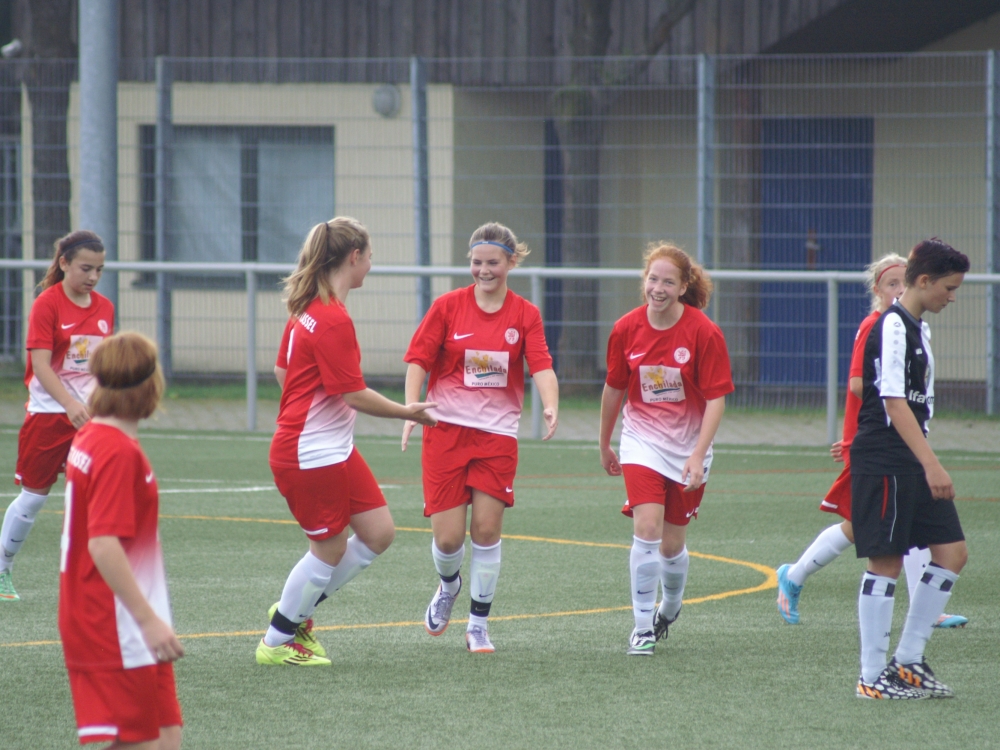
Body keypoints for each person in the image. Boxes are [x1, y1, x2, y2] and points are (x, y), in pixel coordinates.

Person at [258, 217, 437, 666]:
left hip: (329, 447)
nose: (371, 265)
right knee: (330, 549)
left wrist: (313, 411)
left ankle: (294, 611)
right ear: (353, 257)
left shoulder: (308, 307)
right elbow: (353, 394)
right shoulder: (331, 317)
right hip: (309, 453)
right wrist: (408, 412)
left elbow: (283, 372)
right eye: (370, 257)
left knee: (378, 533)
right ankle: (277, 642)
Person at [775, 254, 968, 629]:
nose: (899, 289)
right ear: (877, 289)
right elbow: (860, 384)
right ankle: (795, 574)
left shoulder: (912, 326)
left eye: (902, 282)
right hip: (877, 445)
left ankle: (923, 608)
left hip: (897, 444)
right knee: (868, 528)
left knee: (892, 524)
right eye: (891, 283)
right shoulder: (877, 325)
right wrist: (855, 434)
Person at [402, 221, 558, 653]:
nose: (484, 270)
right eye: (476, 262)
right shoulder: (447, 307)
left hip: (496, 436)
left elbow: (542, 365)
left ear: (511, 262)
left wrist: (550, 403)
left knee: (486, 531)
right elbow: (418, 359)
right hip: (445, 432)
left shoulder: (525, 314)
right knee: (448, 539)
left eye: (492, 262)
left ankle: (478, 625)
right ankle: (448, 585)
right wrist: (411, 406)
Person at [599, 243, 733, 656]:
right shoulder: (625, 328)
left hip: (688, 447)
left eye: (668, 282)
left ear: (683, 287)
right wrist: (604, 442)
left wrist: (697, 454)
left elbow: (716, 399)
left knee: (672, 546)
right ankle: (642, 627)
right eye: (652, 279)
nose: (658, 288)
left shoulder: (704, 332)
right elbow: (614, 388)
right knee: (647, 529)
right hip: (641, 440)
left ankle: (670, 605)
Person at [851, 239, 970, 699]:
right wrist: (932, 464)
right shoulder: (894, 324)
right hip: (886, 456)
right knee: (886, 560)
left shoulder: (918, 327)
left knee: (952, 552)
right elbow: (893, 401)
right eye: (949, 287)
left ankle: (907, 662)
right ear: (923, 281)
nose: (952, 297)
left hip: (910, 455)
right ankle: (870, 678)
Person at [60, 331, 184, 748]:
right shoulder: (116, 451)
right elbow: (103, 543)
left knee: (165, 737)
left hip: (126, 619)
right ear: (150, 386)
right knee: (143, 741)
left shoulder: (93, 436)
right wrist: (148, 620)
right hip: (115, 623)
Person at [1, 230, 114, 602]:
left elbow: (99, 365)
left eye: (99, 269)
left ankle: (89, 578)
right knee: (33, 498)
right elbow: (41, 366)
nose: (93, 277)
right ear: (64, 263)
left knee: (94, 497)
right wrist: (69, 404)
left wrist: (102, 403)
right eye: (86, 268)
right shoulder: (47, 304)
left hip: (90, 419)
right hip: (49, 414)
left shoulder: (105, 308)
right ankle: (2, 568)